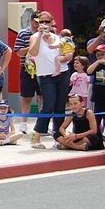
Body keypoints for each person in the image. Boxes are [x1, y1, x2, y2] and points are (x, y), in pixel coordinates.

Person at [28, 15, 71, 148]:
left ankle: (57, 137)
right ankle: (37, 137)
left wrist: (62, 59)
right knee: (48, 105)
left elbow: (68, 54)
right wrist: (40, 34)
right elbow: (33, 52)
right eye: (41, 22)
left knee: (60, 105)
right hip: (46, 75)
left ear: (53, 22)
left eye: (47, 22)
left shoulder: (58, 38)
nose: (45, 24)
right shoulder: (35, 37)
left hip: (62, 73)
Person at [13, 12, 44, 134]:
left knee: (43, 97)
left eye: (40, 22)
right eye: (36, 22)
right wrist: (32, 47)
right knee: (27, 97)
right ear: (31, 21)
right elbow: (18, 52)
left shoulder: (46, 34)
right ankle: (24, 123)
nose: (38, 25)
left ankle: (42, 123)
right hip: (28, 68)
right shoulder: (23, 33)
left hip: (43, 68)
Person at [88, 44, 105, 115]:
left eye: (102, 54)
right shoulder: (97, 66)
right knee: (97, 116)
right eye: (98, 55)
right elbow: (89, 71)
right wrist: (97, 62)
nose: (100, 56)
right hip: (98, 96)